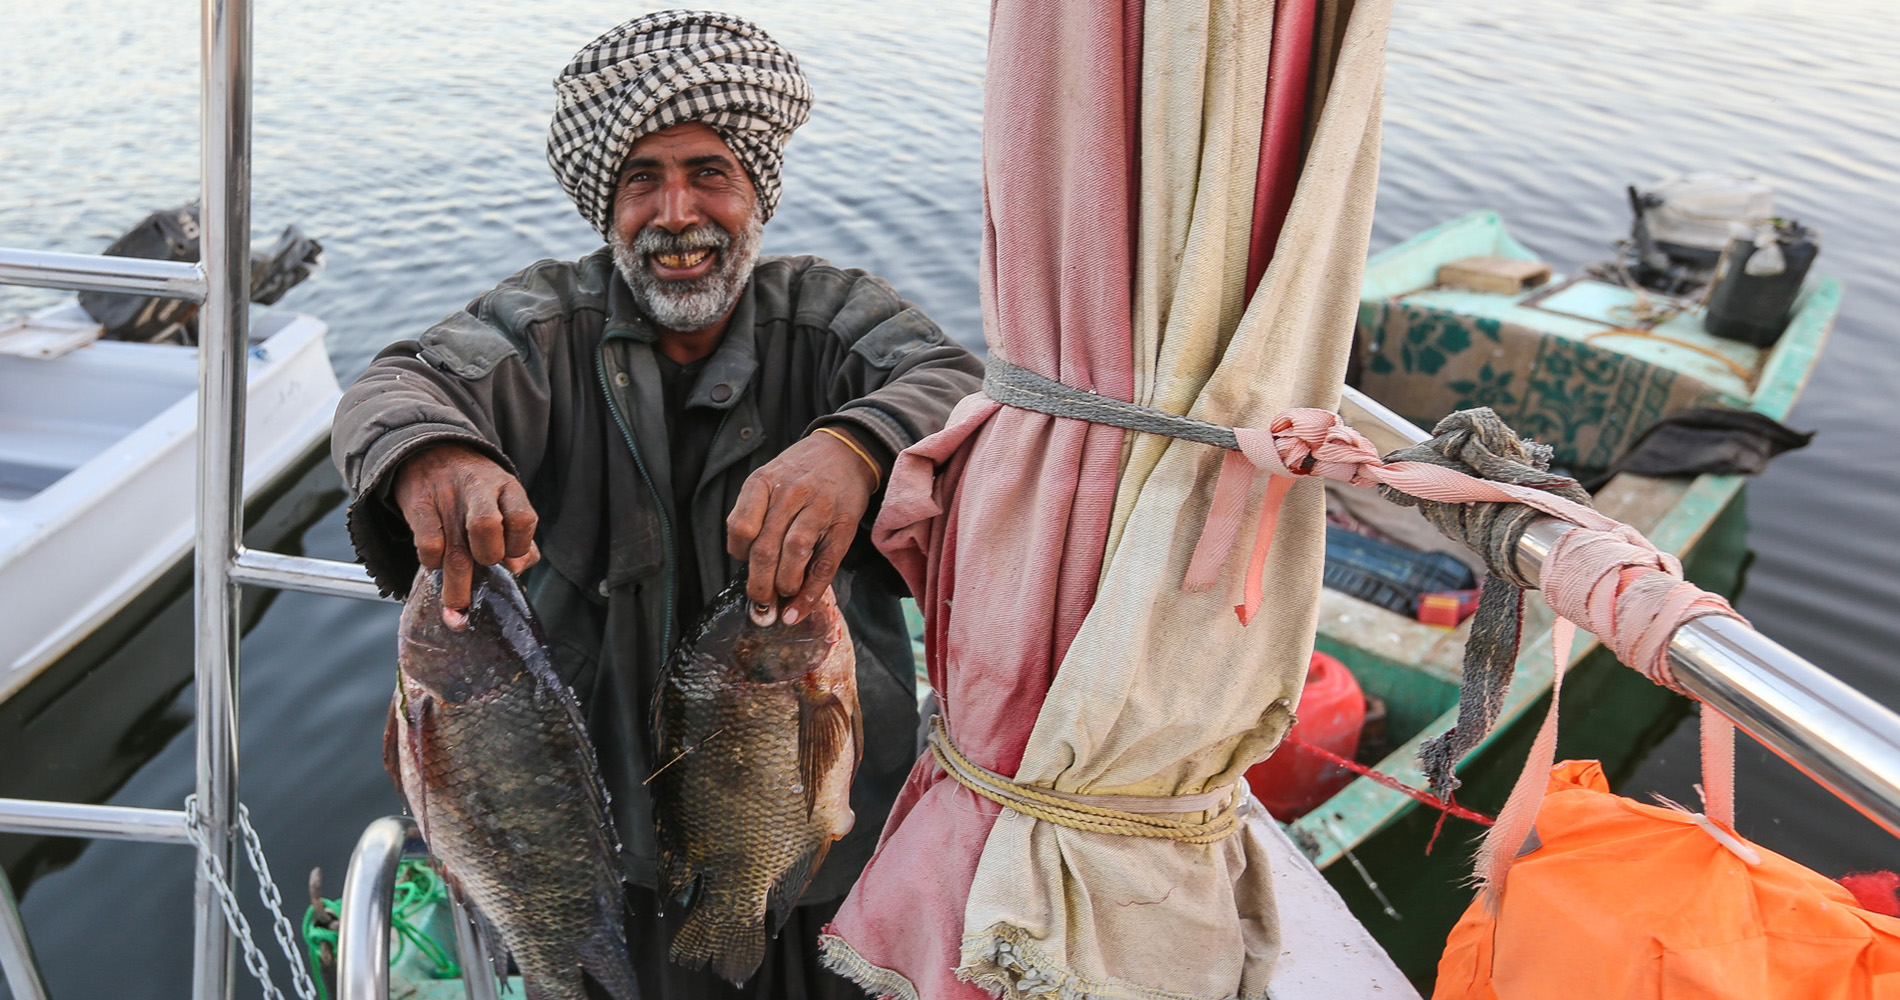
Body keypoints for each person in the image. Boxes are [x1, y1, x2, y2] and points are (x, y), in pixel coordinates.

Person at [331, 11, 982, 997]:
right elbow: (396, 388)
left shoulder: (834, 316)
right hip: (608, 858)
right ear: (607, 203)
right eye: (642, 180)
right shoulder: (542, 328)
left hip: (828, 852)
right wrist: (436, 454)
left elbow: (955, 381)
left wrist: (854, 447)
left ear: (754, 190)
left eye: (708, 173)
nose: (677, 211)